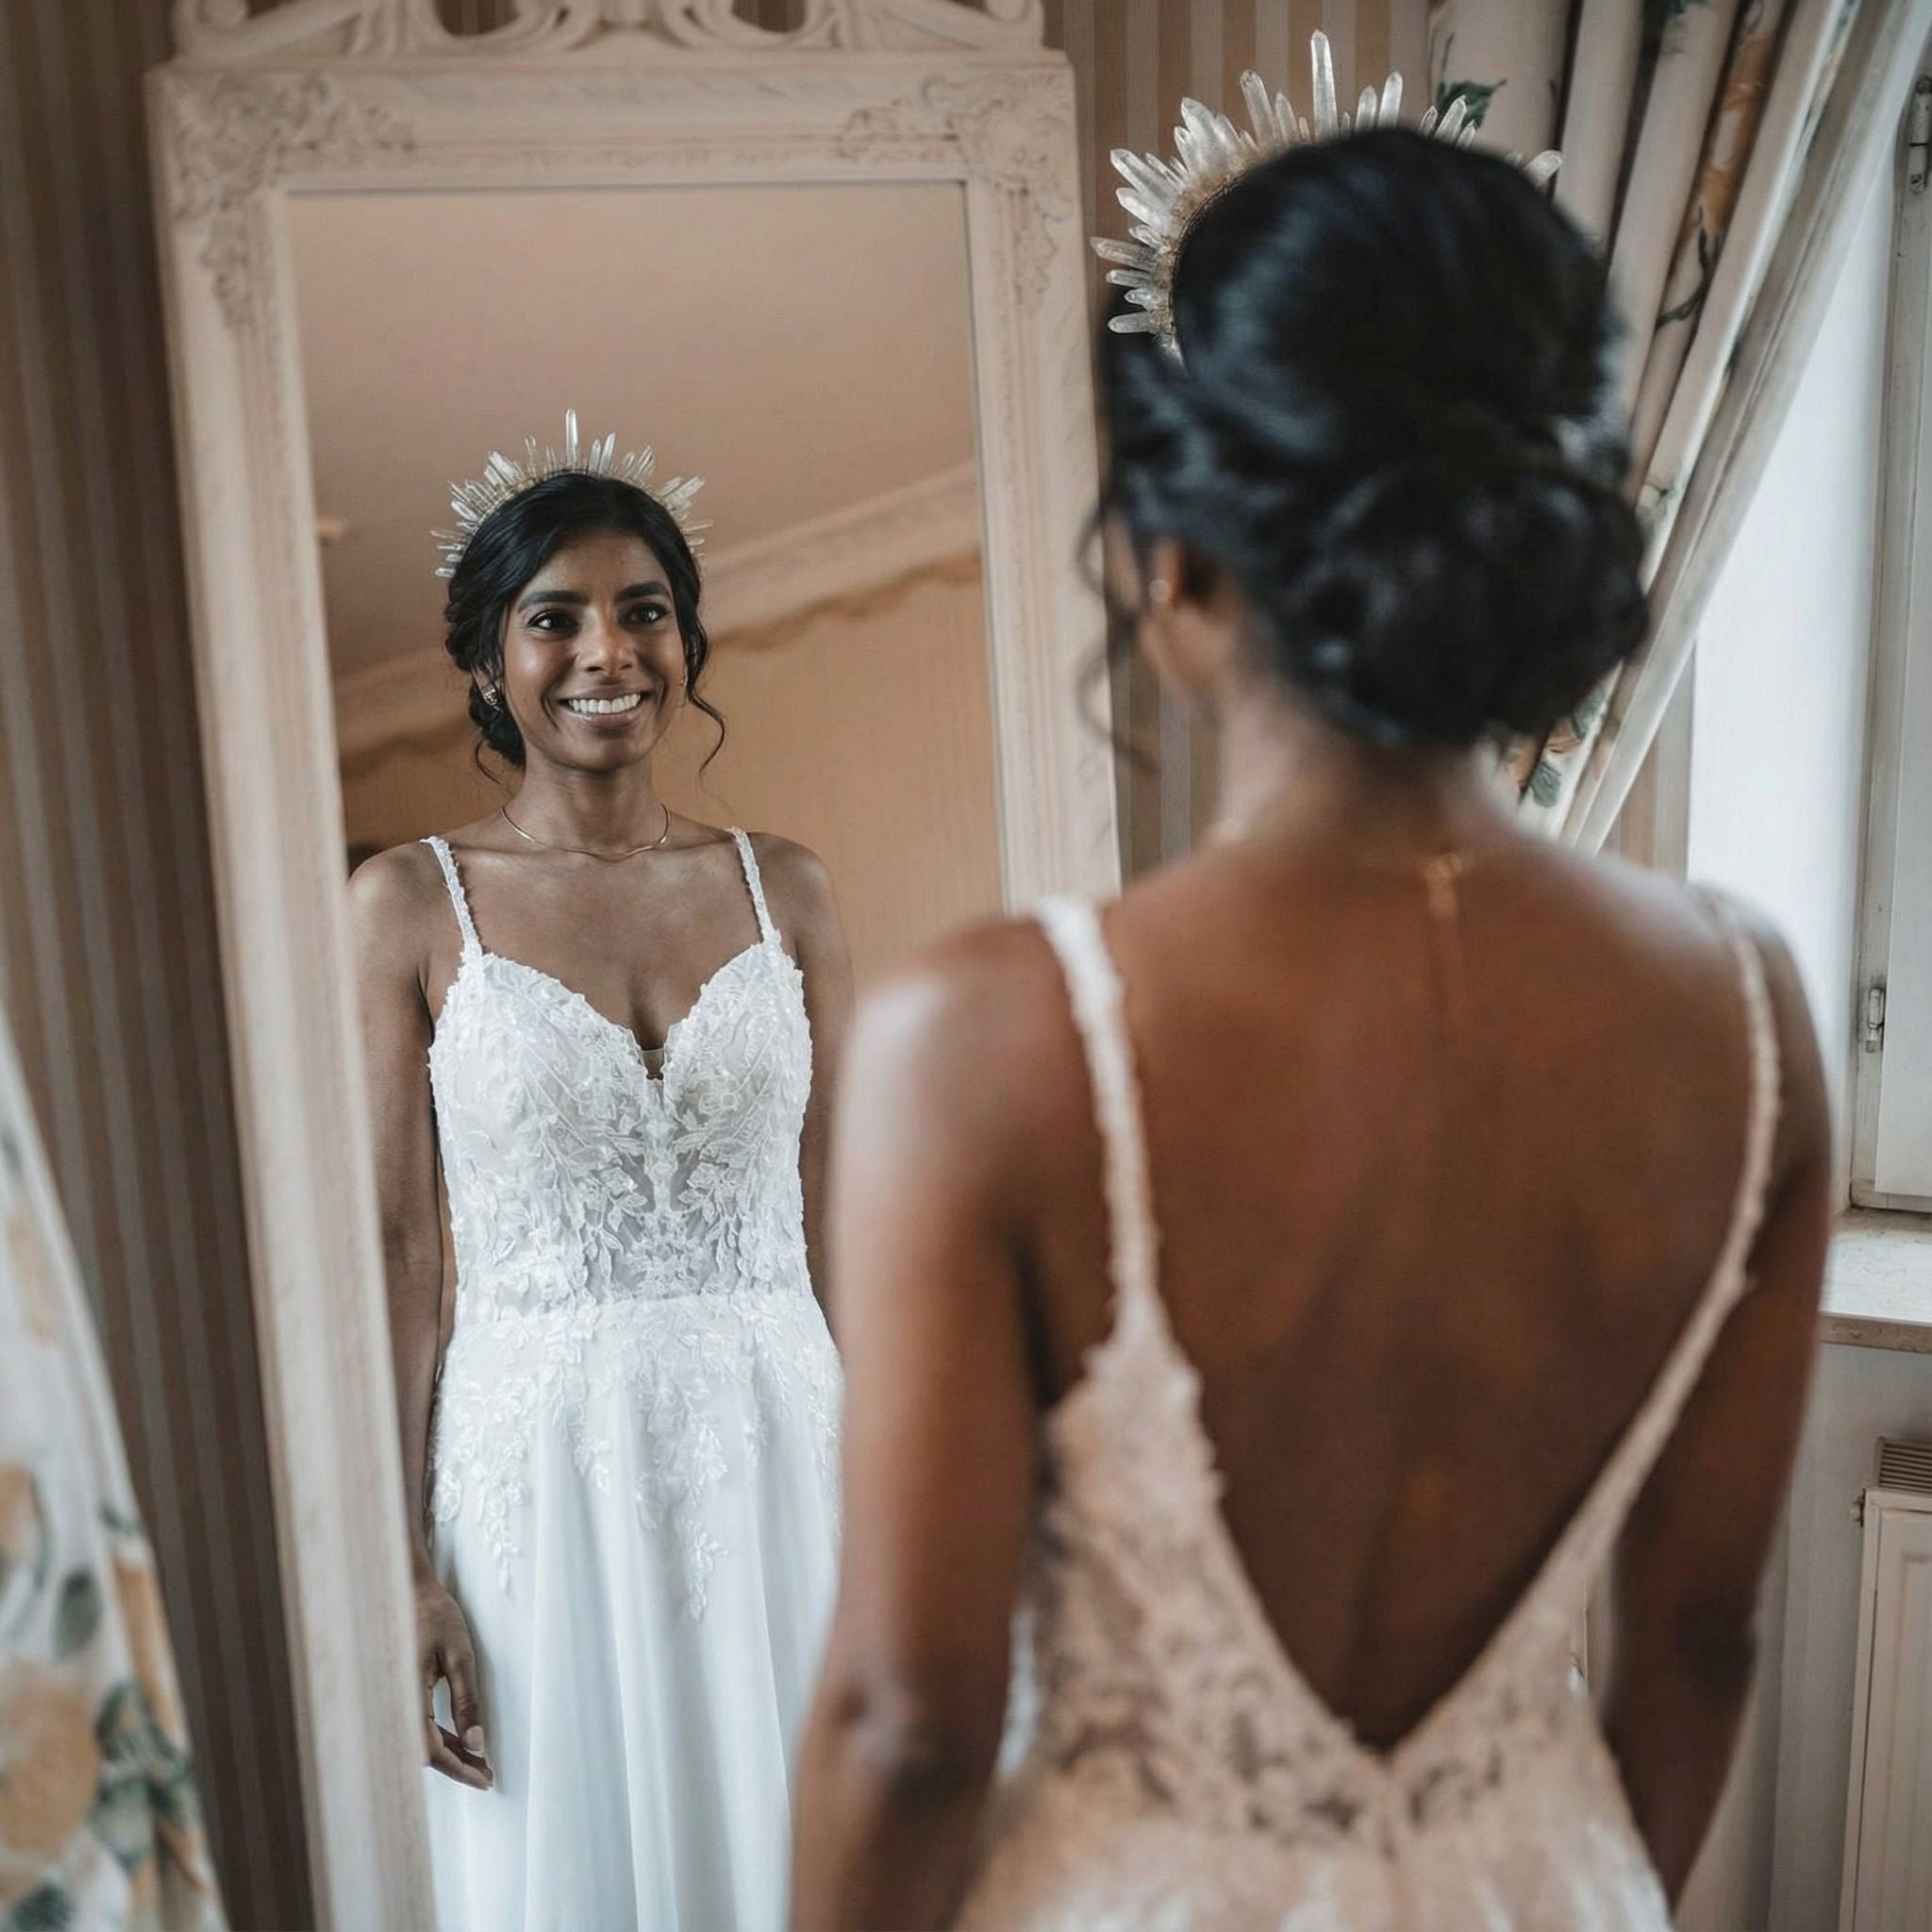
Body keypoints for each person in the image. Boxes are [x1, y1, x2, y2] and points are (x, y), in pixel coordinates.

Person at [789, 82, 1832, 1932]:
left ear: (1174, 560)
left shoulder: (989, 1039)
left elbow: (904, 1728)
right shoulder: (1747, 1016)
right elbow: (1696, 1632)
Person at [351, 423, 849, 1930]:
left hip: (787, 1446)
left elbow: (852, 1220)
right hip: (540, 1473)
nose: (605, 651)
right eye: (553, 618)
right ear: (490, 663)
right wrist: (401, 1564)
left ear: (688, 640)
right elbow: (398, 1252)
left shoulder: (791, 886)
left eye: (644, 609)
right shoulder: (406, 906)